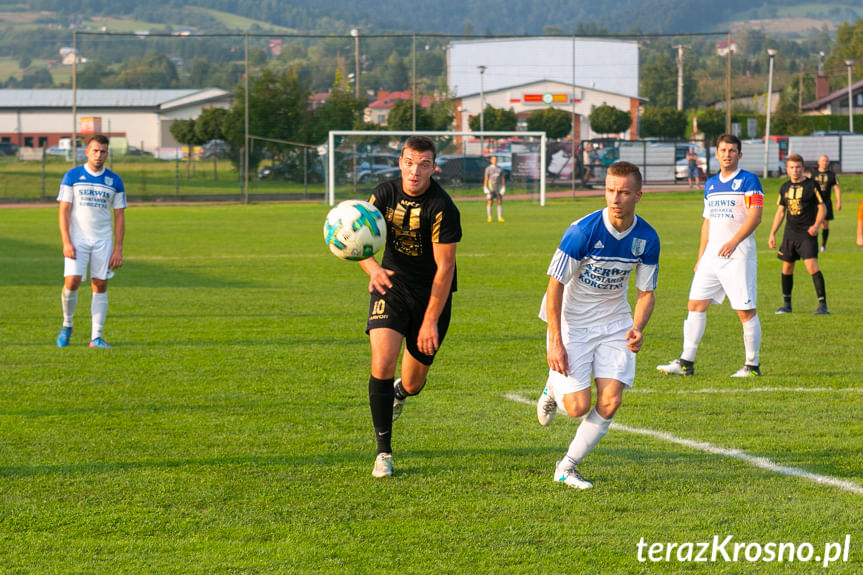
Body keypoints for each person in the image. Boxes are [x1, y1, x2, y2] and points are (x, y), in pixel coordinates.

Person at [536, 161, 659, 490]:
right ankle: (553, 387)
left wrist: (638, 326)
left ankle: (567, 466)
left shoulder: (647, 238)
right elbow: (555, 284)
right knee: (577, 407)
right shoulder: (583, 231)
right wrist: (555, 340)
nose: (615, 198)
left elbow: (646, 293)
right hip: (573, 322)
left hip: (614, 322)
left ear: (638, 195)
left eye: (624, 192)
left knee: (611, 400)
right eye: (610, 190)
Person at [360, 135, 462, 478]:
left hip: (431, 295)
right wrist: (373, 268)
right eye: (408, 162)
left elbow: (445, 269)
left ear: (434, 167)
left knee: (414, 382)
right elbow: (358, 238)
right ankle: (383, 453)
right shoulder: (384, 194)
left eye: (423, 164)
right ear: (400, 161)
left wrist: (430, 320)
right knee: (383, 360)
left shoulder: (442, 207)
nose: (414, 171)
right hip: (391, 285)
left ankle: (400, 393)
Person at [657, 133, 764, 378]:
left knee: (744, 310)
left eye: (732, 150)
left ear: (740, 154)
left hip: (738, 256)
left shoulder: (749, 181)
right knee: (695, 304)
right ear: (716, 153)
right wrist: (700, 257)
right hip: (711, 258)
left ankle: (752, 365)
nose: (727, 154)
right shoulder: (711, 184)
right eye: (723, 150)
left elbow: (755, 216)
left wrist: (734, 241)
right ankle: (686, 363)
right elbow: (707, 222)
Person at [56, 134, 126, 349]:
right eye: (95, 150)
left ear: (107, 153)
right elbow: (64, 210)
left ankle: (96, 337)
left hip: (103, 240)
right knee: (72, 281)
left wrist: (118, 249)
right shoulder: (72, 176)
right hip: (77, 239)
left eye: (103, 151)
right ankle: (67, 324)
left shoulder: (114, 180)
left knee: (100, 284)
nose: (99, 155)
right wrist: (66, 241)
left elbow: (120, 215)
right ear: (87, 152)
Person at [767, 154, 828, 315]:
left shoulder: (812, 185)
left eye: (798, 167)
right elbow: (780, 212)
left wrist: (816, 225)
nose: (795, 170)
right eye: (792, 168)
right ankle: (786, 304)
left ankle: (823, 305)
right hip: (790, 234)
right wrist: (772, 233)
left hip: (807, 233)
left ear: (803, 168)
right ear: (787, 170)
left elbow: (823, 208)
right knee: (787, 267)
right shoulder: (784, 188)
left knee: (811, 266)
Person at [812, 154, 842, 252]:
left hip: (826, 202)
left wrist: (839, 201)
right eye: (823, 161)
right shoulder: (813, 173)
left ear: (828, 162)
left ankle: (823, 246)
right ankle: (812, 244)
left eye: (826, 161)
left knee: (825, 224)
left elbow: (836, 188)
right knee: (812, 223)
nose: (825, 162)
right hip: (814, 202)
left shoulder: (832, 175)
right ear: (818, 162)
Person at [483, 155, 506, 222]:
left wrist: (503, 187)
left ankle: (500, 217)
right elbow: (486, 178)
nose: (494, 161)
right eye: (493, 159)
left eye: (495, 159)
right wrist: (485, 187)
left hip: (498, 188)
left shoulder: (500, 168)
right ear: (491, 160)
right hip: (491, 189)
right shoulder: (488, 169)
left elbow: (502, 178)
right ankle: (489, 217)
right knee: (490, 202)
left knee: (499, 202)